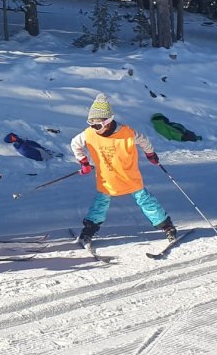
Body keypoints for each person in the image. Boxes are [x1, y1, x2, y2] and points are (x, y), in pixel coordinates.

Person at [70, 93, 175, 247]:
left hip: (129, 175)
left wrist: (150, 153)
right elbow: (75, 144)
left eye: (97, 125)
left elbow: (144, 140)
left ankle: (166, 226)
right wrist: (84, 162)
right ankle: (89, 230)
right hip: (107, 177)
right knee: (100, 203)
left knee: (145, 200)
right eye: (91, 124)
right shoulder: (89, 133)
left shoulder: (127, 133)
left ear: (108, 121)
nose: (94, 128)